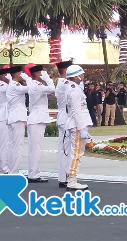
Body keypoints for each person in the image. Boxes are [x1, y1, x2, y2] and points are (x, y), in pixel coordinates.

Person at [26, 65, 55, 183]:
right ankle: (34, 174)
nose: (43, 74)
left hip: (35, 117)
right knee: (37, 148)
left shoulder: (33, 85)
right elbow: (53, 89)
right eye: (41, 72)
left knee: (34, 148)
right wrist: (48, 79)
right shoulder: (37, 86)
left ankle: (33, 173)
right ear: (37, 74)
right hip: (38, 119)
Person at [65, 65, 92, 191]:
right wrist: (81, 129)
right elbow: (76, 111)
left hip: (77, 124)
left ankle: (71, 177)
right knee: (76, 153)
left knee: (75, 152)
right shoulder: (74, 90)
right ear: (75, 76)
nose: (83, 76)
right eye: (81, 74)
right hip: (76, 125)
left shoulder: (74, 88)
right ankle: (72, 180)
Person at [6, 66, 29, 175]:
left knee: (12, 145)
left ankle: (12, 170)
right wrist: (28, 78)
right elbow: (31, 88)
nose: (22, 75)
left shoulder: (14, 85)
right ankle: (14, 171)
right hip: (17, 117)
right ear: (16, 74)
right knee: (17, 146)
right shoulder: (15, 86)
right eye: (21, 73)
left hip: (14, 117)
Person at [55, 60, 72, 188]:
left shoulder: (62, 83)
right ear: (65, 71)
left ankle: (64, 176)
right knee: (65, 150)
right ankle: (64, 177)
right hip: (65, 118)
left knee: (64, 149)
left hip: (64, 117)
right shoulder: (65, 83)